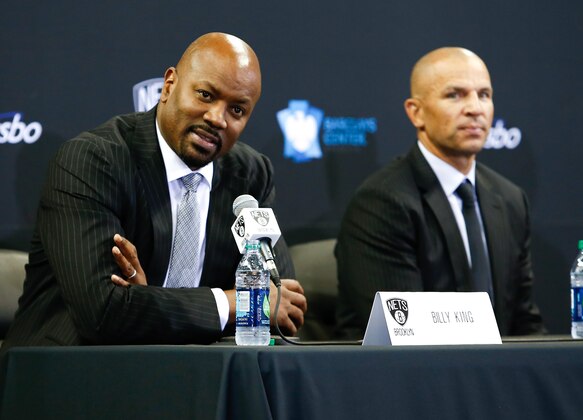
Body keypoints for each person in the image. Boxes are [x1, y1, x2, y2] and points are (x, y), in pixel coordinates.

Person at [1, 33, 306, 353]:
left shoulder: (250, 175)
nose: (217, 118)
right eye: (205, 95)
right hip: (67, 371)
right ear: (169, 85)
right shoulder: (93, 162)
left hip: (192, 375)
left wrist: (148, 303)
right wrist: (240, 303)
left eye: (237, 111)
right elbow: (103, 313)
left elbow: (284, 307)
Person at [335, 47, 545, 339]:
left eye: (484, 94)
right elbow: (404, 332)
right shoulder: (382, 202)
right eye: (455, 95)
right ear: (416, 112)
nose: (475, 108)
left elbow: (524, 322)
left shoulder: (510, 200)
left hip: (500, 377)